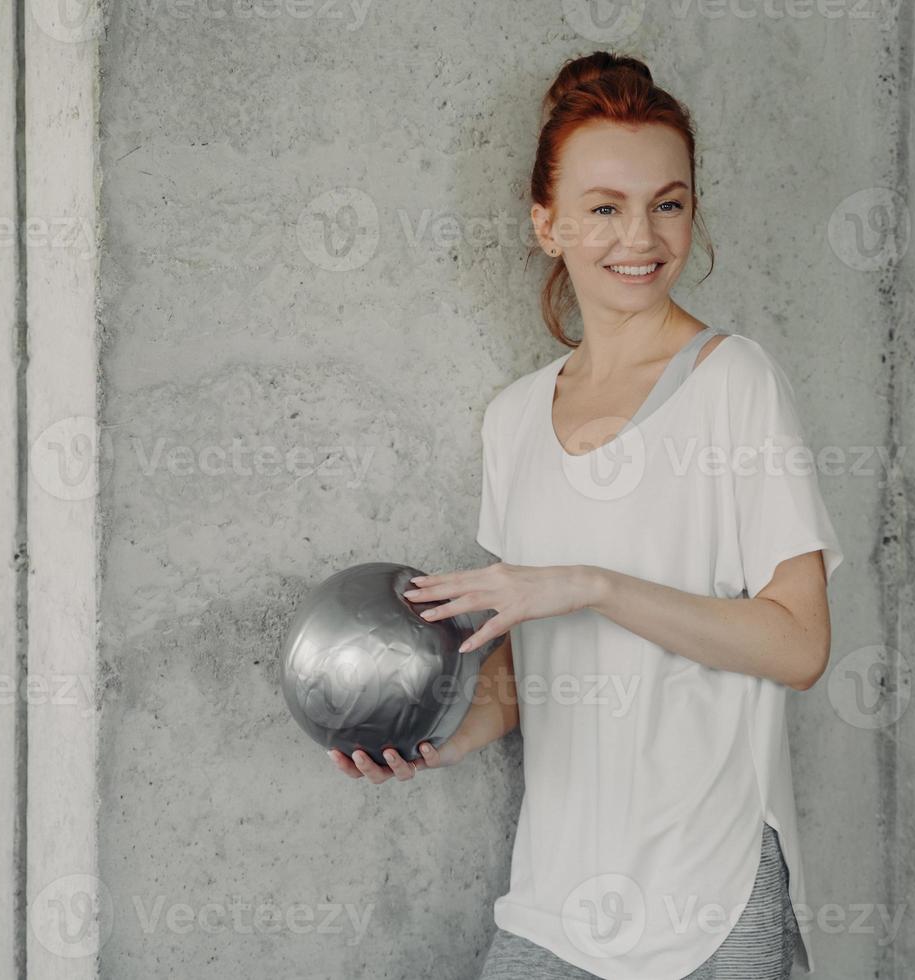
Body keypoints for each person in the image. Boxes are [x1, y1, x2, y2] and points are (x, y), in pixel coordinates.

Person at [327, 51, 843, 980]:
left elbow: (798, 644)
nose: (639, 236)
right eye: (604, 207)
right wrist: (437, 738)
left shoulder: (735, 382)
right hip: (557, 894)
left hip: (709, 890)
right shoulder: (515, 419)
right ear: (548, 223)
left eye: (668, 203)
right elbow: (527, 675)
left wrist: (593, 584)